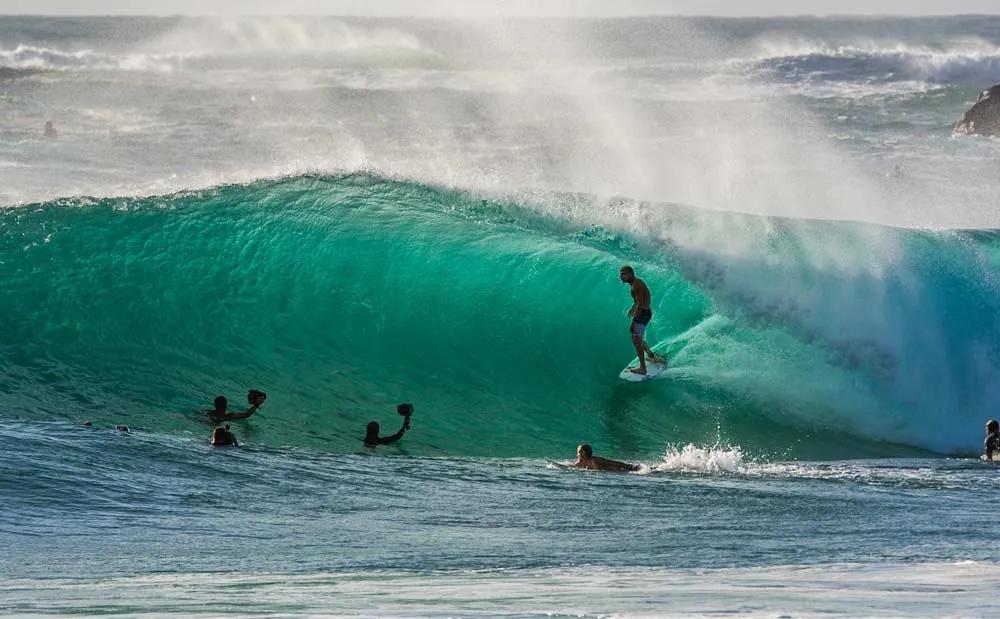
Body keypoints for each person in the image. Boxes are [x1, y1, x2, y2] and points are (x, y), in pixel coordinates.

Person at [619, 265, 664, 375]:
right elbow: (640, 300)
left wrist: (634, 321)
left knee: (636, 339)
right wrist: (632, 308)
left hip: (643, 314)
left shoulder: (636, 285)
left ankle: (643, 368)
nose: (621, 276)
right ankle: (651, 356)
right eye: (620, 274)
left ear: (630, 274)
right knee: (636, 336)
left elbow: (640, 304)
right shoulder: (636, 283)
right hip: (644, 312)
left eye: (623, 274)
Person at [571, 443, 640, 472]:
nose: (577, 455)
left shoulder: (595, 460)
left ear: (583, 453)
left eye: (578, 452)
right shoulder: (580, 463)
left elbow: (613, 463)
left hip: (622, 471)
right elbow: (569, 467)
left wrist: (630, 467)